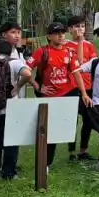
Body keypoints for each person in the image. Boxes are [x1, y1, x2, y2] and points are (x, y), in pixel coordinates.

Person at [0, 40, 35, 180]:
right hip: (11, 109)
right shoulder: (14, 63)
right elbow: (27, 73)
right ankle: (9, 173)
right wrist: (18, 87)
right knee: (11, 143)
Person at [25, 22, 79, 164]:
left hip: (68, 93)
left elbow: (76, 71)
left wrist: (84, 94)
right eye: (57, 33)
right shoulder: (42, 51)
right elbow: (25, 70)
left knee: (72, 123)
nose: (61, 35)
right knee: (51, 131)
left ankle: (73, 153)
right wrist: (38, 87)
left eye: (62, 32)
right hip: (50, 97)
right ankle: (46, 163)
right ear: (49, 36)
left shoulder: (69, 51)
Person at [64, 15, 98, 160]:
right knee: (72, 120)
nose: (80, 29)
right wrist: (79, 42)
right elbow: (78, 62)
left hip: (88, 87)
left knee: (88, 119)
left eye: (82, 26)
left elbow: (91, 65)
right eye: (77, 26)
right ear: (70, 29)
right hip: (72, 87)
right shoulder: (66, 46)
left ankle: (83, 150)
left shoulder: (89, 45)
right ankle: (71, 151)